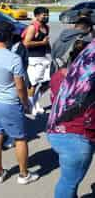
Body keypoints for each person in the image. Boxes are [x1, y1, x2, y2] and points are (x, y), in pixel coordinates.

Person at [0, 21, 39, 185]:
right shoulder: (14, 59)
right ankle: (23, 175)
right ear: (9, 37)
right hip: (9, 103)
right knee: (20, 138)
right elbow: (20, 87)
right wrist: (26, 103)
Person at [47, 39, 95, 198]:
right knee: (69, 183)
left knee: (68, 181)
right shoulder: (88, 81)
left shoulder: (60, 76)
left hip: (56, 131)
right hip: (77, 138)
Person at [23, 6, 51, 115]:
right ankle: (29, 106)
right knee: (33, 85)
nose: (46, 16)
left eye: (47, 14)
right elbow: (26, 43)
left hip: (44, 58)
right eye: (44, 14)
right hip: (33, 59)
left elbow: (46, 41)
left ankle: (35, 102)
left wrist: (49, 50)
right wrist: (42, 43)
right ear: (37, 16)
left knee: (47, 83)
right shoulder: (32, 27)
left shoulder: (46, 27)